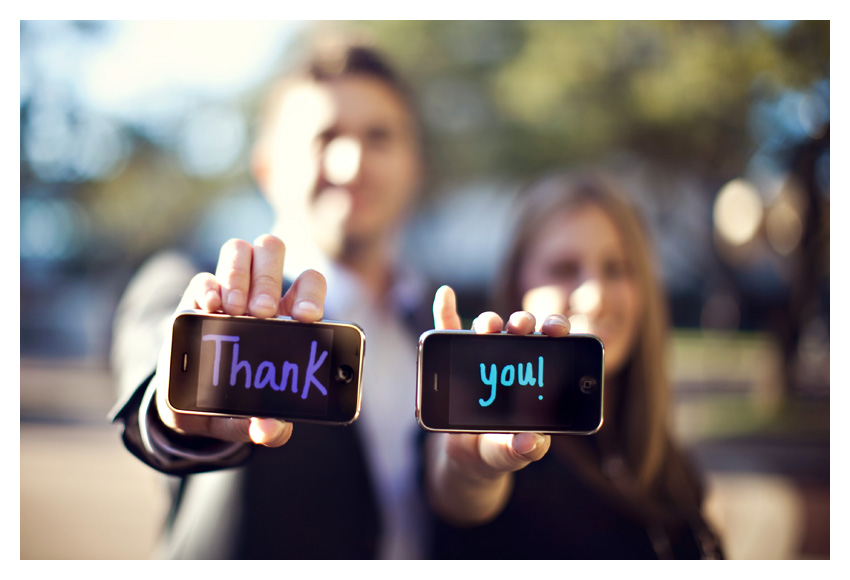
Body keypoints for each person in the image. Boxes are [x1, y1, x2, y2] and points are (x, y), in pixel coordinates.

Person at [110, 41, 440, 559]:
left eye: (379, 137)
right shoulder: (194, 289)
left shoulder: (440, 326)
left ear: (413, 165)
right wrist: (183, 407)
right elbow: (160, 369)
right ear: (267, 168)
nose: (353, 163)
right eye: (324, 137)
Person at [425, 169, 725, 559]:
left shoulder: (666, 457)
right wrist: (473, 470)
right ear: (518, 286)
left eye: (616, 268)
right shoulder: (494, 439)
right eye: (564, 269)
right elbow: (456, 489)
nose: (595, 296)